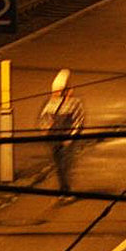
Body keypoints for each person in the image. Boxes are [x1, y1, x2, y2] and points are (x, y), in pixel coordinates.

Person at [37, 68, 85, 198]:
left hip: (67, 139)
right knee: (58, 165)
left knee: (67, 164)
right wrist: (45, 129)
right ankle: (63, 188)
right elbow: (43, 118)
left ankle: (67, 189)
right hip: (54, 139)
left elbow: (79, 121)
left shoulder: (75, 103)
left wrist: (71, 137)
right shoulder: (51, 103)